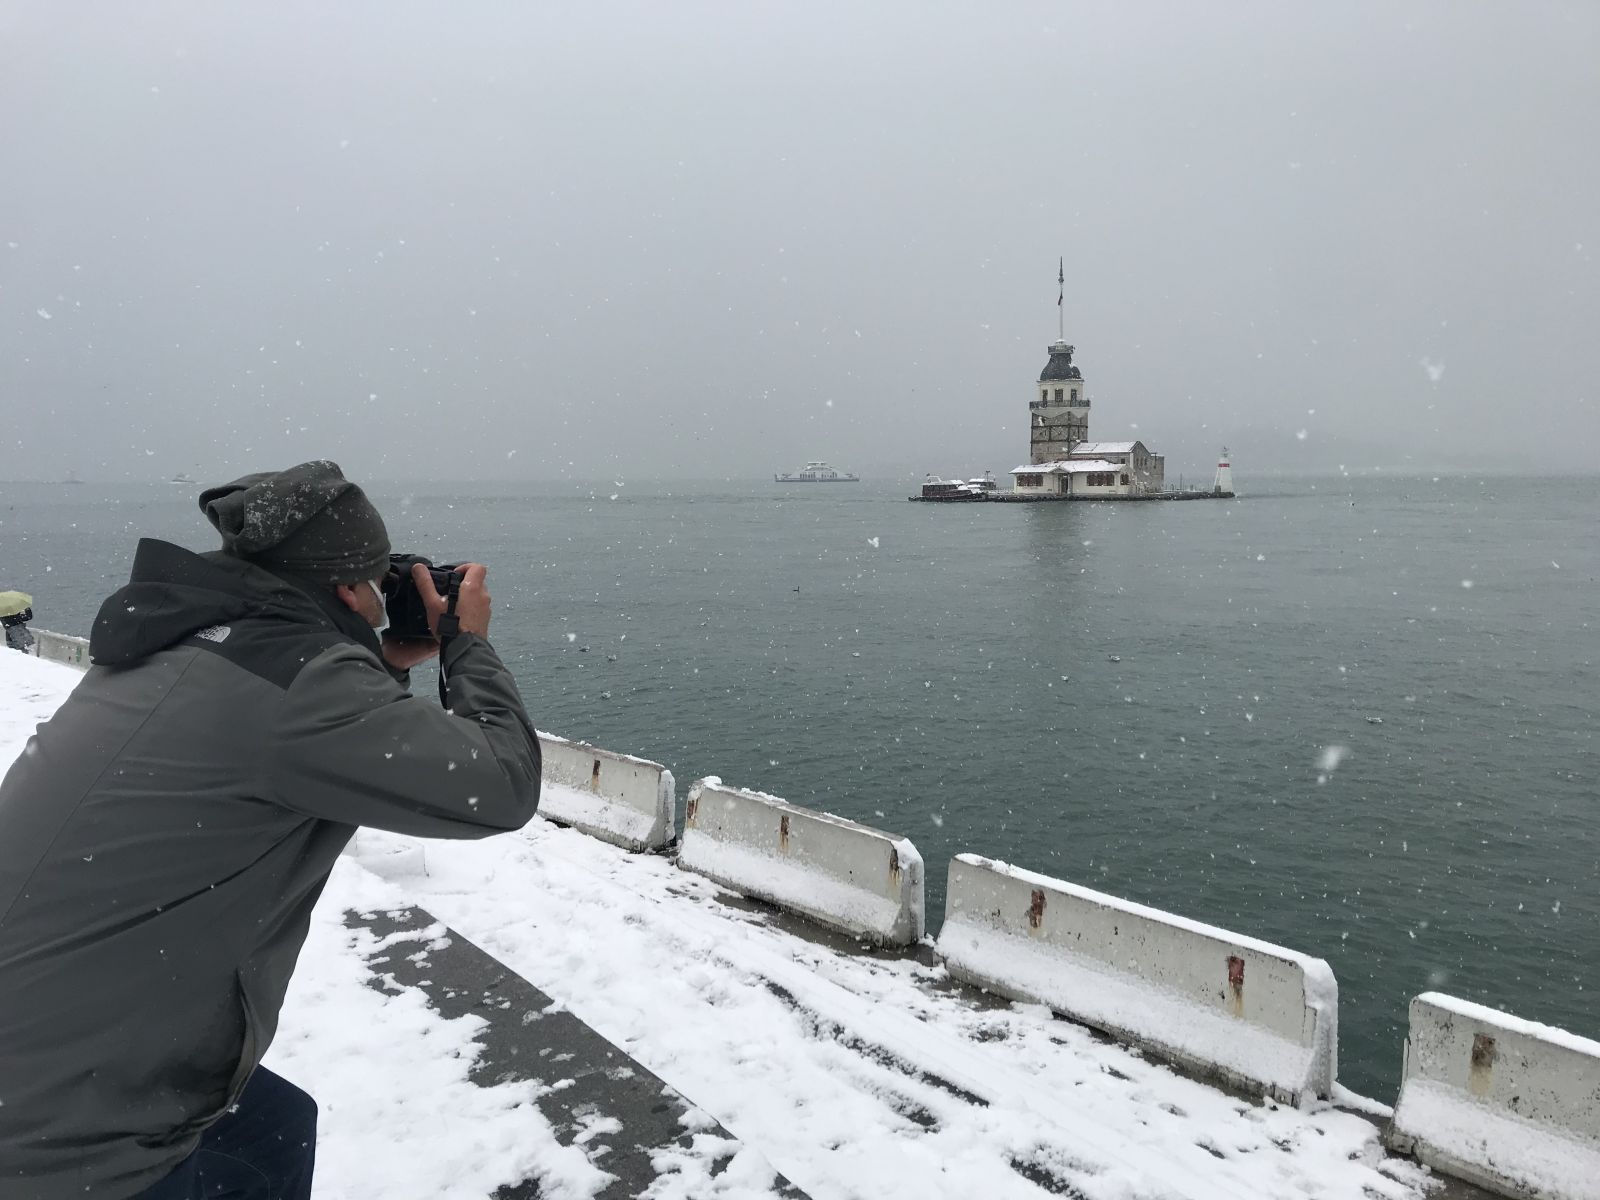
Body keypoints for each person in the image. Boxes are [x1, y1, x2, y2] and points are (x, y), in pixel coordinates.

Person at [0, 461, 542, 1199]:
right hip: (64, 1128)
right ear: (347, 590)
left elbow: (283, 727)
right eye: (379, 584)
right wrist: (466, 644)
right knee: (264, 1143)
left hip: (49, 1029)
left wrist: (381, 662)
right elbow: (501, 785)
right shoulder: (299, 691)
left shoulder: (180, 637)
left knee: (276, 1129)